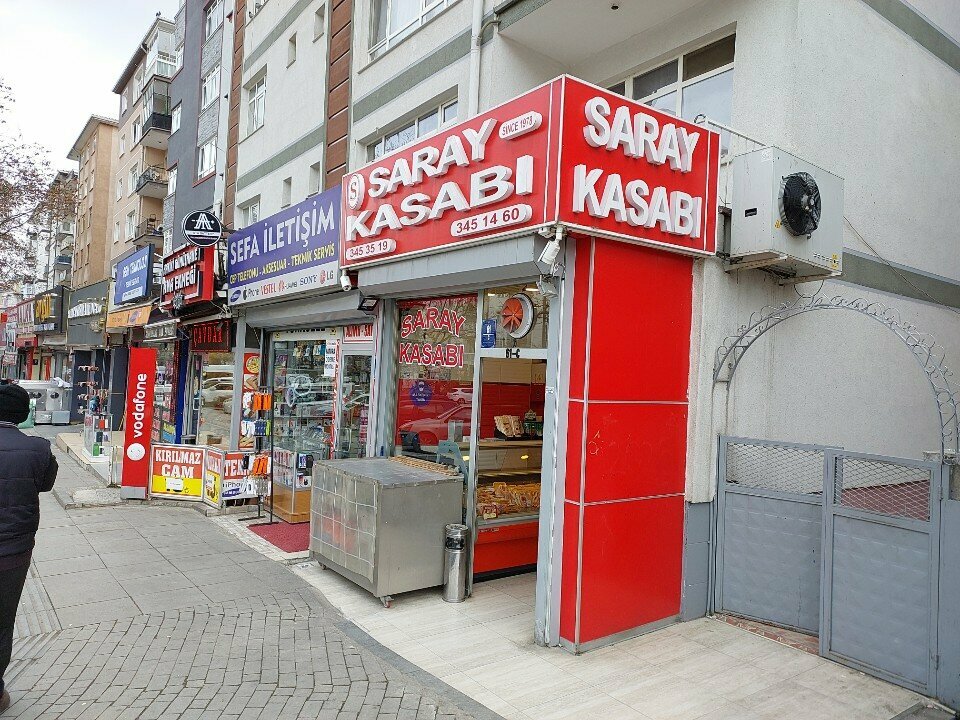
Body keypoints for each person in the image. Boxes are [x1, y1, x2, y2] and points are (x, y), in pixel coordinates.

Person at [0, 383, 57, 712]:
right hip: (13, 552)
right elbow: (46, 483)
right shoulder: (37, 449)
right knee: (3, 620)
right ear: (22, 414)